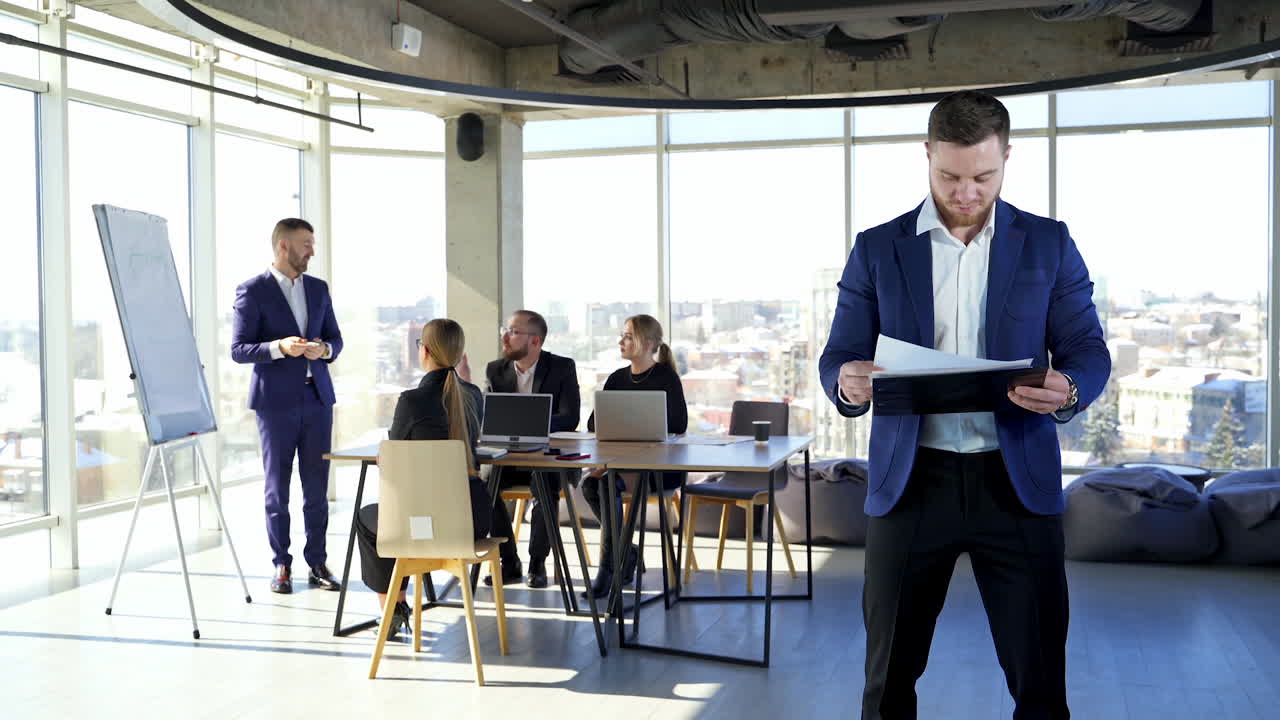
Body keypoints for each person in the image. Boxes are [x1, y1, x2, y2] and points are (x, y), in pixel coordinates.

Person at [819, 90, 1110, 719]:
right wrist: (846, 379)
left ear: (1007, 158)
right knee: (887, 682)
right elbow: (837, 353)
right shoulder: (877, 247)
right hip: (910, 483)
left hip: (1017, 484)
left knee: (1039, 685)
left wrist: (1073, 388)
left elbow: (1087, 346)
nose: (967, 192)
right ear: (926, 155)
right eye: (949, 175)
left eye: (984, 176)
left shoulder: (1049, 244)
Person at [353, 318, 515, 635]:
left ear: (424, 350)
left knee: (371, 520)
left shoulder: (412, 401)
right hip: (473, 521)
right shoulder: (473, 396)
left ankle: (393, 611)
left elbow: (392, 460)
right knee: (398, 518)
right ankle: (396, 609)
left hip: (424, 523)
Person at [231, 218, 345, 595]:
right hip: (275, 405)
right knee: (276, 490)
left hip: (317, 402)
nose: (312, 250)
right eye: (306, 243)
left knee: (316, 489)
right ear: (283, 246)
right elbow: (239, 350)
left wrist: (324, 350)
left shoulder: (318, 288)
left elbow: (335, 339)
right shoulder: (253, 290)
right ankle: (281, 564)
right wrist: (279, 347)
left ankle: (318, 563)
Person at [580, 314, 688, 600]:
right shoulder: (616, 378)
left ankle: (609, 570)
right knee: (590, 484)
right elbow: (594, 424)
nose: (621, 341)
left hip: (659, 467)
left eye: (628, 336)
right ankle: (626, 553)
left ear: (649, 342)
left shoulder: (667, 377)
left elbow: (678, 426)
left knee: (604, 484)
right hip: (621, 464)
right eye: (622, 335)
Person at [483, 310, 582, 589]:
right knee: (482, 486)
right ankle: (508, 561)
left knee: (544, 487)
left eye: (513, 332)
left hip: (545, 456)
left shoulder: (562, 367)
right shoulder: (495, 370)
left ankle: (537, 563)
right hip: (508, 458)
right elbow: (488, 415)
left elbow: (570, 416)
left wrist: (530, 424)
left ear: (535, 341)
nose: (505, 337)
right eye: (506, 329)